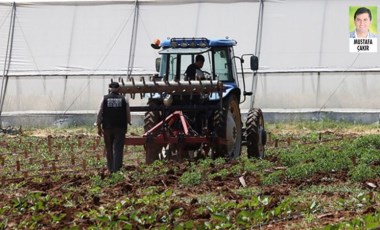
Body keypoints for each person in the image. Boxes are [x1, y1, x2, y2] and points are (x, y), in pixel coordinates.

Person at [96, 82, 131, 173]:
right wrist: (128, 122)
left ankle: (110, 168)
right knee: (118, 148)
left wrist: (98, 126)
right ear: (119, 89)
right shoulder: (124, 99)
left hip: (107, 127)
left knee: (109, 147)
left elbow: (99, 112)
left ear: (109, 89)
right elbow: (128, 113)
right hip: (120, 127)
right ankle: (117, 169)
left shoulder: (104, 98)